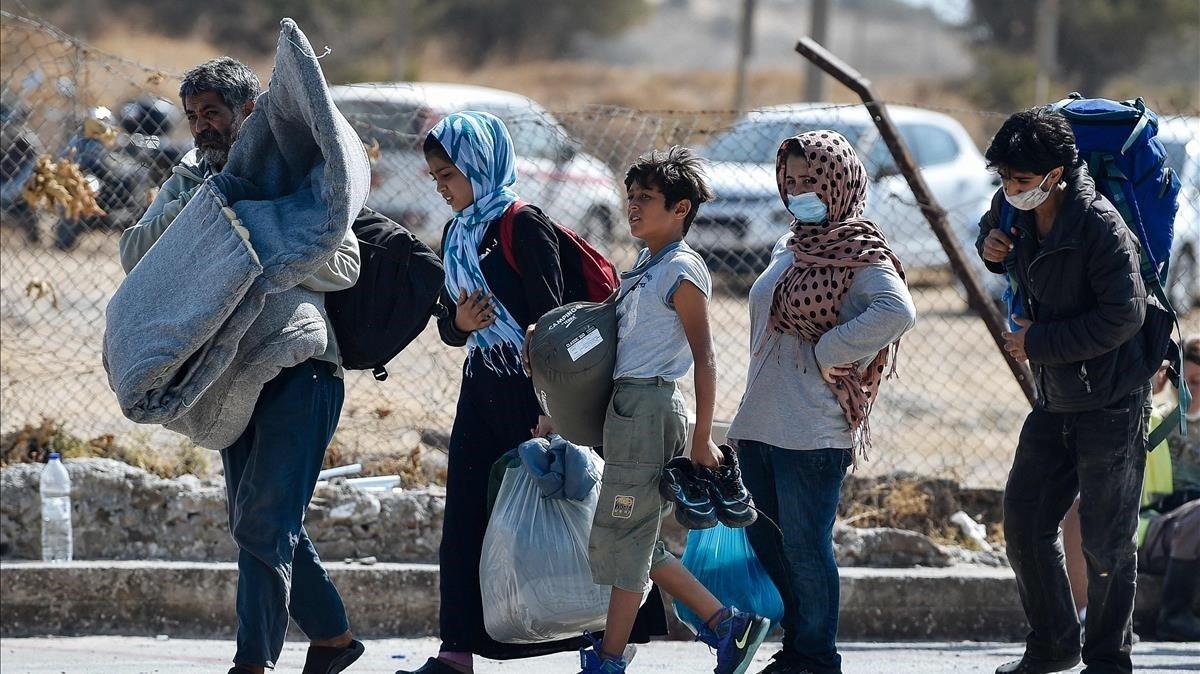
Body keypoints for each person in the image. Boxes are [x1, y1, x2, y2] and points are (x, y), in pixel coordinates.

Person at [119, 57, 364, 674]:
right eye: (194, 116)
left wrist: (255, 236)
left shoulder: (292, 171)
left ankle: (252, 664)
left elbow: (345, 265)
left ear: (248, 113)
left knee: (262, 520)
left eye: (214, 114)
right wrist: (203, 220)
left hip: (300, 368)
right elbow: (134, 254)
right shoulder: (188, 183)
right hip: (228, 380)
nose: (202, 126)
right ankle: (334, 641)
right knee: (260, 520)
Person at [402, 111, 665, 674]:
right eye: (436, 178)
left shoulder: (523, 225)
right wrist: (462, 325)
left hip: (534, 397)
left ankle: (607, 639)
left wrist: (551, 413)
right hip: (481, 388)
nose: (442, 187)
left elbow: (553, 324)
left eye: (448, 175)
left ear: (479, 165)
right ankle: (456, 652)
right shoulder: (455, 233)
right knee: (466, 518)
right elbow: (449, 323)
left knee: (573, 513)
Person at [726, 131, 916, 674]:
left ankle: (815, 658)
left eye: (810, 180)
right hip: (760, 421)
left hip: (812, 430)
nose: (798, 190)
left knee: (807, 550)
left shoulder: (859, 252)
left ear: (838, 180)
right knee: (767, 540)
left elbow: (896, 311)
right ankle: (801, 644)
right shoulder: (792, 244)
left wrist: (832, 349)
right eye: (789, 181)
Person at [976, 107, 1155, 674]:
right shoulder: (1014, 207)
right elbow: (989, 232)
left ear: (1056, 172)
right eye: (1004, 179)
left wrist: (1041, 343)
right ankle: (1053, 647)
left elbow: (1123, 317)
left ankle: (1107, 661)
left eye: (1022, 181)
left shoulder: (1101, 227)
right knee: (1025, 523)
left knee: (1106, 545)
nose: (1011, 190)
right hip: (1055, 401)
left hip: (1112, 402)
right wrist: (991, 246)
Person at [578, 146, 770, 674]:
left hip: (651, 407)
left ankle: (609, 659)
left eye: (647, 198)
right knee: (638, 534)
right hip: (627, 408)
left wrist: (703, 437)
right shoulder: (645, 265)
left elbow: (704, 359)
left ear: (681, 208)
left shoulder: (683, 270)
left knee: (624, 534)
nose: (633, 207)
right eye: (630, 196)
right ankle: (724, 624)